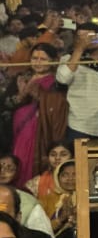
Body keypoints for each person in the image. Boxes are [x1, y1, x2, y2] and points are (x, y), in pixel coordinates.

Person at [11, 44, 67, 185]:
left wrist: (40, 96)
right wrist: (20, 95)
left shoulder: (57, 83)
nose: (38, 62)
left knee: (34, 163)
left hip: (40, 129)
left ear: (53, 60)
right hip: (20, 130)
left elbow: (57, 106)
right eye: (35, 58)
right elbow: (8, 104)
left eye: (43, 59)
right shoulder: (22, 78)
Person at [24, 142, 71, 217]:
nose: (57, 158)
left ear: (72, 157)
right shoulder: (37, 182)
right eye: (53, 155)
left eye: (63, 154)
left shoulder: (78, 179)